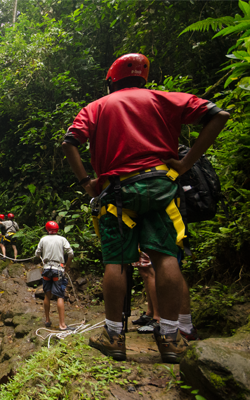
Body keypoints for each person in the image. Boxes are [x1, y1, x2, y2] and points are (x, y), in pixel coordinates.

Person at [62, 53, 229, 363]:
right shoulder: (164, 99)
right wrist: (185, 163)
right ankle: (170, 339)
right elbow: (218, 115)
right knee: (166, 258)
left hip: (118, 191)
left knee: (117, 261)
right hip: (163, 187)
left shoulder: (97, 107)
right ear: (142, 78)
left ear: (111, 81)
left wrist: (87, 182)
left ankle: (113, 336)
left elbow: (70, 141)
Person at [35, 221, 75, 330]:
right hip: (58, 269)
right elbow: (71, 253)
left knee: (47, 295)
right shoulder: (62, 239)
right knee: (60, 296)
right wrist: (67, 266)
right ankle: (62, 325)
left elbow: (37, 254)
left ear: (47, 229)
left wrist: (43, 260)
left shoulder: (43, 239)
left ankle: (47, 320)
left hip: (47, 269)